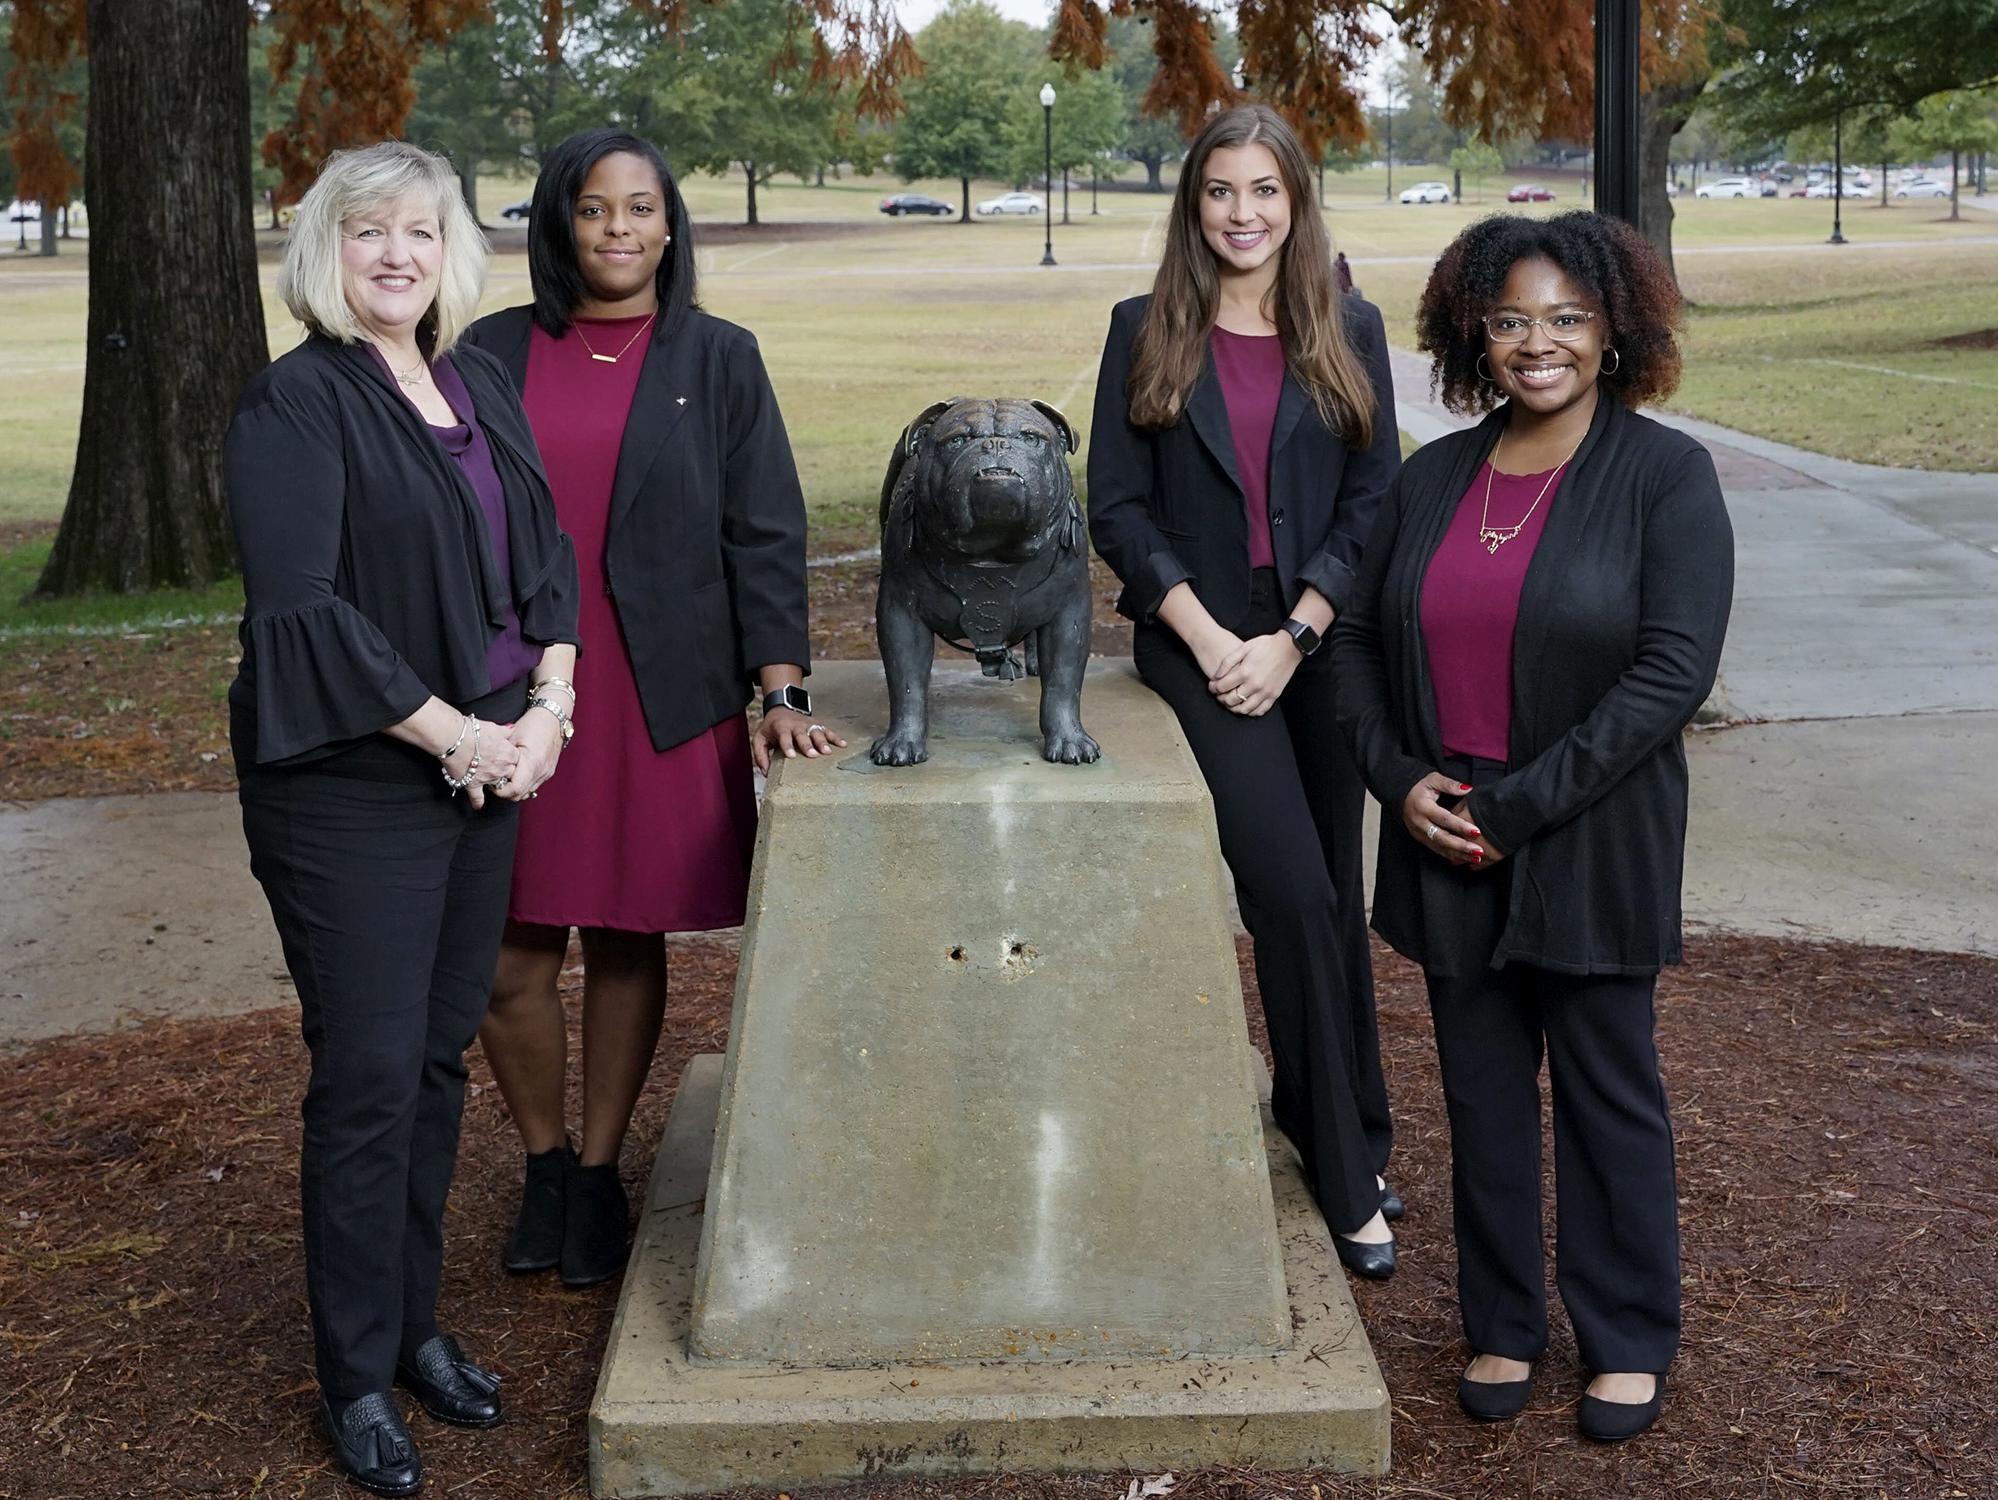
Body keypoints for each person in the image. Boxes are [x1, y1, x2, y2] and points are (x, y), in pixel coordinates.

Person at [1329, 211, 1734, 1441]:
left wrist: (1518, 810)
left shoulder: (1665, 476)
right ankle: (1504, 1323)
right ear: (1475, 334)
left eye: (1566, 317)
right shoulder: (1434, 476)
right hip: (1445, 832)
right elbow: (1350, 641)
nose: (1537, 343)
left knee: (1610, 1092)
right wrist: (1397, 779)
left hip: (1590, 836)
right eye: (1511, 320)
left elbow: (1671, 675)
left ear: (1615, 331)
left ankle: (1624, 1336)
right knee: (1483, 1093)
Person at [226, 141, 580, 1496]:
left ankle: (416, 1326)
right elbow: (302, 614)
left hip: (487, 764)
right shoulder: (293, 406)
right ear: (327, 250)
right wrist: (464, 737)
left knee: (438, 1061)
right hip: (353, 791)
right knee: (370, 1079)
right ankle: (356, 1377)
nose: (394, 255)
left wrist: (545, 712)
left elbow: (543, 566)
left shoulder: (478, 382)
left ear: (450, 250)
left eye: (419, 233)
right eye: (368, 232)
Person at [463, 129, 835, 1290]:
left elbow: (765, 530)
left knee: (626, 936)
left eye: (640, 208)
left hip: (659, 684)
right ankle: (539, 1164)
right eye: (592, 209)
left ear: (672, 227)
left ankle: (599, 1174)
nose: (617, 228)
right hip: (519, 688)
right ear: (557, 226)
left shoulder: (719, 358)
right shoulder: (485, 355)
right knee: (508, 956)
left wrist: (779, 688)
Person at [1087, 103, 1404, 1279]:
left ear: (1297, 202)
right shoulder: (1143, 328)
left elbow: (1377, 497)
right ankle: (1340, 1169)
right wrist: (1217, 635)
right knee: (1286, 890)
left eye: (1265, 191)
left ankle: (1354, 1127)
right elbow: (1114, 504)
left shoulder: (1349, 326)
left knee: (1336, 889)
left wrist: (1300, 629)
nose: (1243, 213)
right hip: (1201, 645)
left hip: (1321, 647)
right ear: (1193, 203)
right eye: (1221, 190)